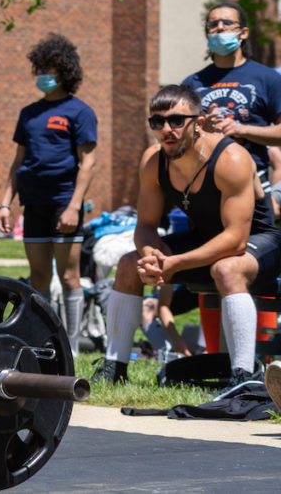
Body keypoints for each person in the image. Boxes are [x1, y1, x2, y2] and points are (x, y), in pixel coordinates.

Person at [91, 85, 281, 387]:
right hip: (205, 241)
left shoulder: (231, 158)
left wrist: (175, 263)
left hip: (259, 243)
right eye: (157, 122)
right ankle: (114, 369)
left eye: (177, 121)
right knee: (129, 264)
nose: (167, 129)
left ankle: (243, 378)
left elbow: (236, 240)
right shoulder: (153, 161)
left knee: (227, 268)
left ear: (199, 122)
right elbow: (146, 225)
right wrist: (152, 256)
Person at [0, 34, 97, 356]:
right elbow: (18, 162)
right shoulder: (29, 113)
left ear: (65, 70)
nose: (41, 74)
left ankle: (72, 349)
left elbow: (88, 162)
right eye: (38, 67)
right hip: (33, 204)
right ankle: (44, 343)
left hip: (64, 203)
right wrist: (5, 203)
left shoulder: (80, 112)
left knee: (69, 277)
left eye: (48, 68)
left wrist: (74, 207)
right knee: (38, 277)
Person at [183, 0, 281, 190]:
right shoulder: (191, 83)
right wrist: (203, 131)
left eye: (227, 23)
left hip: (252, 179)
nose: (220, 27)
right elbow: (178, 136)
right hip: (203, 179)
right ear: (207, 34)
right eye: (213, 24)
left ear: (243, 32)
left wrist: (240, 129)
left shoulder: (268, 78)